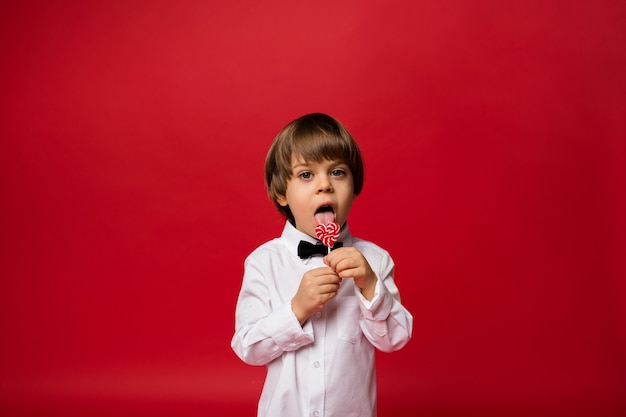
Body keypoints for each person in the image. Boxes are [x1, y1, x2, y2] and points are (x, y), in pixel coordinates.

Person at [231, 113, 413, 417]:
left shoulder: (376, 260)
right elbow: (248, 347)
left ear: (354, 187)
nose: (324, 185)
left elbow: (395, 338)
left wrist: (370, 287)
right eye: (306, 175)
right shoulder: (264, 262)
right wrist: (296, 310)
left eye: (338, 172)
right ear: (280, 192)